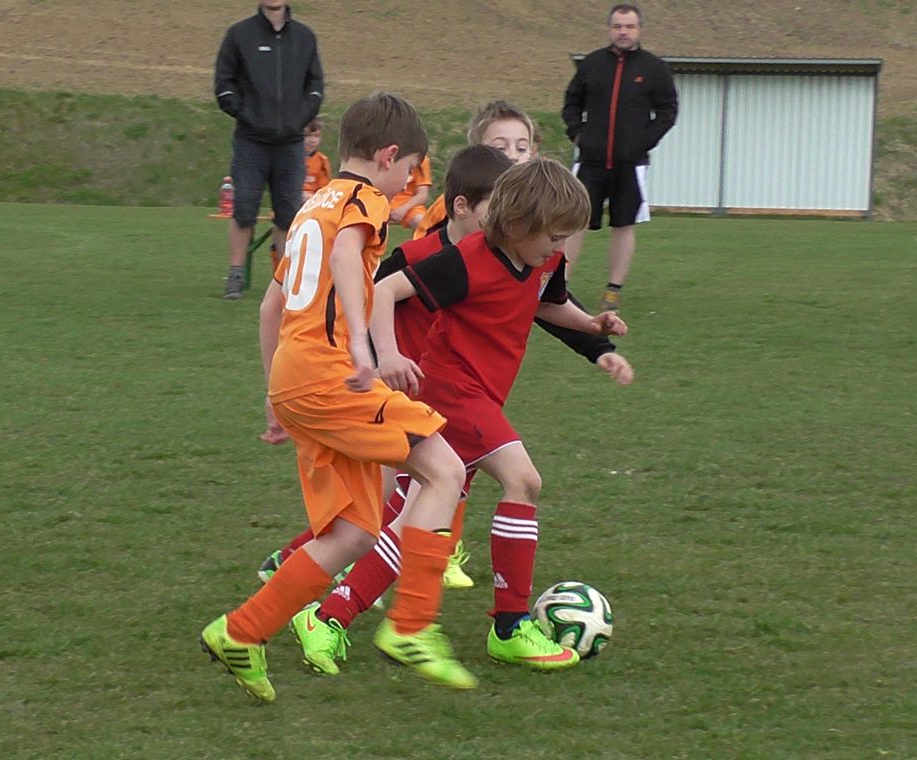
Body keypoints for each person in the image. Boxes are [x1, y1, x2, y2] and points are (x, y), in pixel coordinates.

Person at [288, 157, 632, 675]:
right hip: (450, 393)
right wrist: (388, 355)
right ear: (517, 226)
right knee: (524, 481)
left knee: (413, 525)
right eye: (554, 238)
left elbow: (546, 304)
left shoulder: (541, 260)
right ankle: (511, 627)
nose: (560, 248)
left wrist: (593, 327)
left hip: (479, 399)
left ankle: (329, 616)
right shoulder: (467, 260)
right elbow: (384, 289)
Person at [200, 93, 477, 704]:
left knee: (354, 531)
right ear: (386, 156)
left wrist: (274, 393)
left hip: (297, 379)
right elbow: (353, 260)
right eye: (411, 169)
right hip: (331, 374)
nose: (411, 183)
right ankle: (411, 626)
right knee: (446, 468)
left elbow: (273, 306)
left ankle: (241, 632)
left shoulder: (308, 209)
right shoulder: (361, 200)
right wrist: (360, 352)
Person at [561, 3, 678, 311]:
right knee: (574, 222)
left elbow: (668, 112)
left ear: (639, 29)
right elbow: (571, 103)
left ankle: (613, 288)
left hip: (631, 163)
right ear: (609, 29)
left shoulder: (654, 68)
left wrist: (642, 142)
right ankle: (559, 281)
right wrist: (579, 135)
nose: (623, 32)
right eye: (617, 26)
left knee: (624, 225)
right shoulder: (592, 64)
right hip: (590, 161)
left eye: (629, 26)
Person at [214, 0, 324, 299]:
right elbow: (223, 85)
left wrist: (298, 119)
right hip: (251, 142)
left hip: (289, 144)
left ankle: (285, 280)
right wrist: (247, 114)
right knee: (244, 208)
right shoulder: (239, 35)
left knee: (288, 213)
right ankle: (236, 275)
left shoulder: (304, 37)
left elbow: (315, 85)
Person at [411, 100, 536, 240]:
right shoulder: (450, 204)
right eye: (500, 148)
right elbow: (419, 251)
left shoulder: (539, 202)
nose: (513, 156)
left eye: (521, 148)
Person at [388, 154, 432, 231]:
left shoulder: (420, 159)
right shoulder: (384, 155)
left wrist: (403, 209)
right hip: (382, 199)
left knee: (427, 226)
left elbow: (422, 194)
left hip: (408, 204)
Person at [301, 116, 332, 202]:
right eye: (308, 136)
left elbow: (324, 188)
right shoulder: (289, 159)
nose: (312, 140)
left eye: (316, 136)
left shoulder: (322, 160)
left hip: (312, 204)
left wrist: (314, 198)